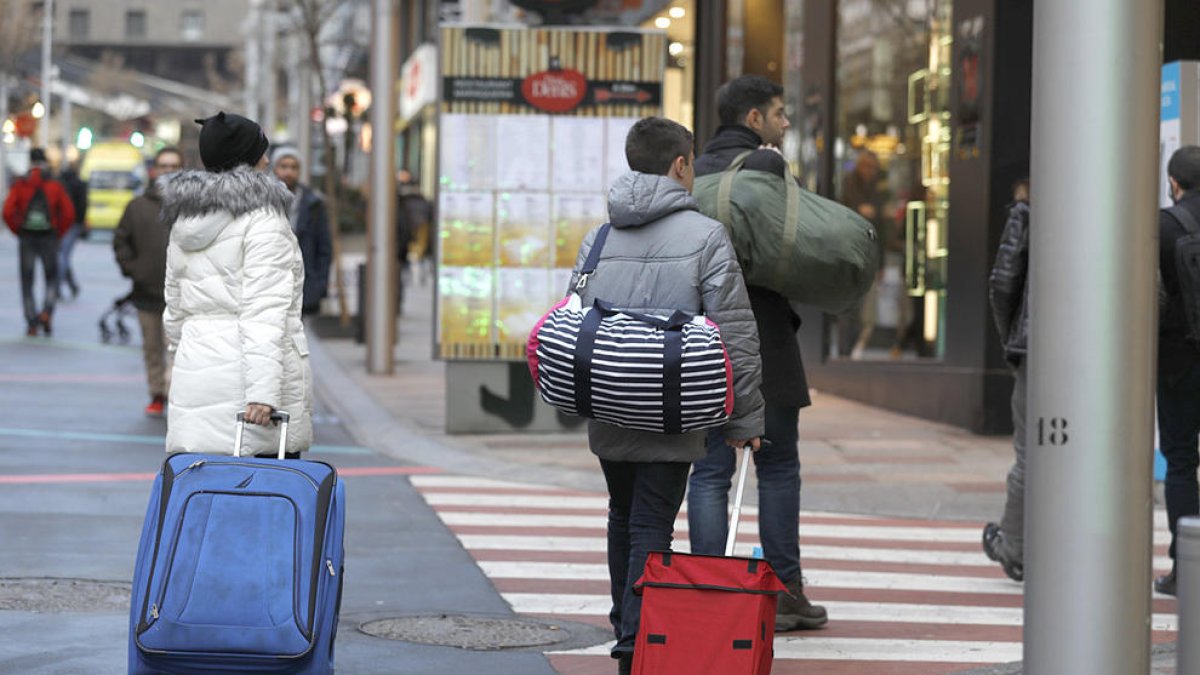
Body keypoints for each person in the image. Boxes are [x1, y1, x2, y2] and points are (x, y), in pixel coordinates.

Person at [573, 117, 763, 673]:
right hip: (673, 407)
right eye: (693, 161)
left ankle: (623, 621)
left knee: (621, 512)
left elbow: (577, 319)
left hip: (608, 403)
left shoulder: (599, 236)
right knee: (652, 519)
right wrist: (745, 417)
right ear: (681, 165)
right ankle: (636, 638)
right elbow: (735, 333)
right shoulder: (706, 237)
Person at [687, 74, 828, 631]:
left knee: (707, 472)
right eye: (778, 112)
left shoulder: (691, 172)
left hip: (700, 341)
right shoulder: (765, 169)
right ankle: (785, 590)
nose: (785, 123)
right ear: (753, 120)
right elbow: (789, 252)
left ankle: (706, 590)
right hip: (764, 336)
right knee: (778, 465)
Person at [160, 111, 313, 457]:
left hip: (196, 372)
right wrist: (263, 393)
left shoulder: (185, 221)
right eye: (262, 152)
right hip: (248, 385)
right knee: (263, 499)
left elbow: (174, 307)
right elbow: (264, 310)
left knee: (207, 493)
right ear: (248, 161)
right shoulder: (263, 220)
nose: (269, 160)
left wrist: (186, 360)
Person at [1154, 145, 1200, 596]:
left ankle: (1185, 566)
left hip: (1177, 364)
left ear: (1174, 182)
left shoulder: (1163, 227)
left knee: (1182, 462)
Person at [981, 178, 1031, 583]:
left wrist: (1012, 340)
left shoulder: (1027, 212)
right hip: (1099, 355)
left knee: (1032, 451)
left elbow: (1002, 283)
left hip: (1037, 351)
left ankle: (1014, 548)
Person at [113, 147, 184, 418]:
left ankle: (175, 396)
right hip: (146, 293)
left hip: (182, 295)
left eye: (173, 165)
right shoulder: (137, 206)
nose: (168, 170)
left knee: (178, 352)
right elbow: (121, 241)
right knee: (152, 348)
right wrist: (134, 270)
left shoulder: (191, 206)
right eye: (163, 165)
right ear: (154, 170)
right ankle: (156, 394)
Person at [2, 148, 75, 337]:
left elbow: (8, 211)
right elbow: (68, 213)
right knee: (51, 278)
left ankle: (31, 321)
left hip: (27, 237)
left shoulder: (21, 183)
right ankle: (47, 312)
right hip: (49, 237)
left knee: (27, 281)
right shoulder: (54, 184)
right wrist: (58, 232)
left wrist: (18, 230)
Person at [271, 146, 332, 316]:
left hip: (305, 284)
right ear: (275, 168)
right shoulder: (264, 199)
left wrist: (320, 285)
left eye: (294, 167)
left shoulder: (313, 203)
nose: (288, 172)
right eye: (284, 166)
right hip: (272, 283)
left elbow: (324, 248)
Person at [57, 161, 89, 299]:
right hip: (73, 223)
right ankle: (57, 286)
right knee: (64, 256)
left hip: (58, 224)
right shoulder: (80, 184)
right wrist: (81, 222)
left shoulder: (59, 183)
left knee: (63, 255)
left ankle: (71, 286)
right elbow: (83, 205)